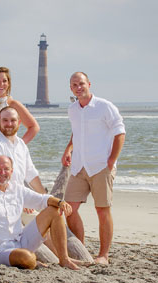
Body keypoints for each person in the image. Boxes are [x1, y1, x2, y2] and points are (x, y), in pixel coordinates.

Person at [0, 155, 83, 270]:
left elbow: (42, 199)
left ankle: (64, 259)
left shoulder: (17, 189)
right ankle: (33, 262)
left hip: (21, 241)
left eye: (6, 169)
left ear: (11, 171)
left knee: (54, 211)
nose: (2, 173)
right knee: (27, 258)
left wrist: (61, 203)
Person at [61, 72, 126, 265]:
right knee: (69, 209)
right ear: (71, 88)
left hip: (100, 166)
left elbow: (120, 132)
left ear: (89, 84)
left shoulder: (105, 107)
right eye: (74, 84)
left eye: (81, 83)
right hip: (79, 167)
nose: (78, 87)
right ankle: (80, 248)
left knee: (102, 210)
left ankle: (103, 255)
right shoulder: (72, 109)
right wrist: (68, 149)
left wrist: (112, 160)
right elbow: (76, 132)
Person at [0, 106, 46, 195]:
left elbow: (30, 173)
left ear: (19, 122)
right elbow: (0, 178)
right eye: (5, 120)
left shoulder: (21, 144)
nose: (9, 124)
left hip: (17, 195)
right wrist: (21, 200)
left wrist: (45, 197)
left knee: (54, 206)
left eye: (13, 120)